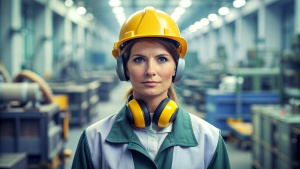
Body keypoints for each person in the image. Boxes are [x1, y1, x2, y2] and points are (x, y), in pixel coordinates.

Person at [71, 6, 231, 169]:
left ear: (176, 68)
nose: (150, 71)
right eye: (139, 60)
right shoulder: (94, 141)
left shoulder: (208, 141)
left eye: (162, 59)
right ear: (124, 68)